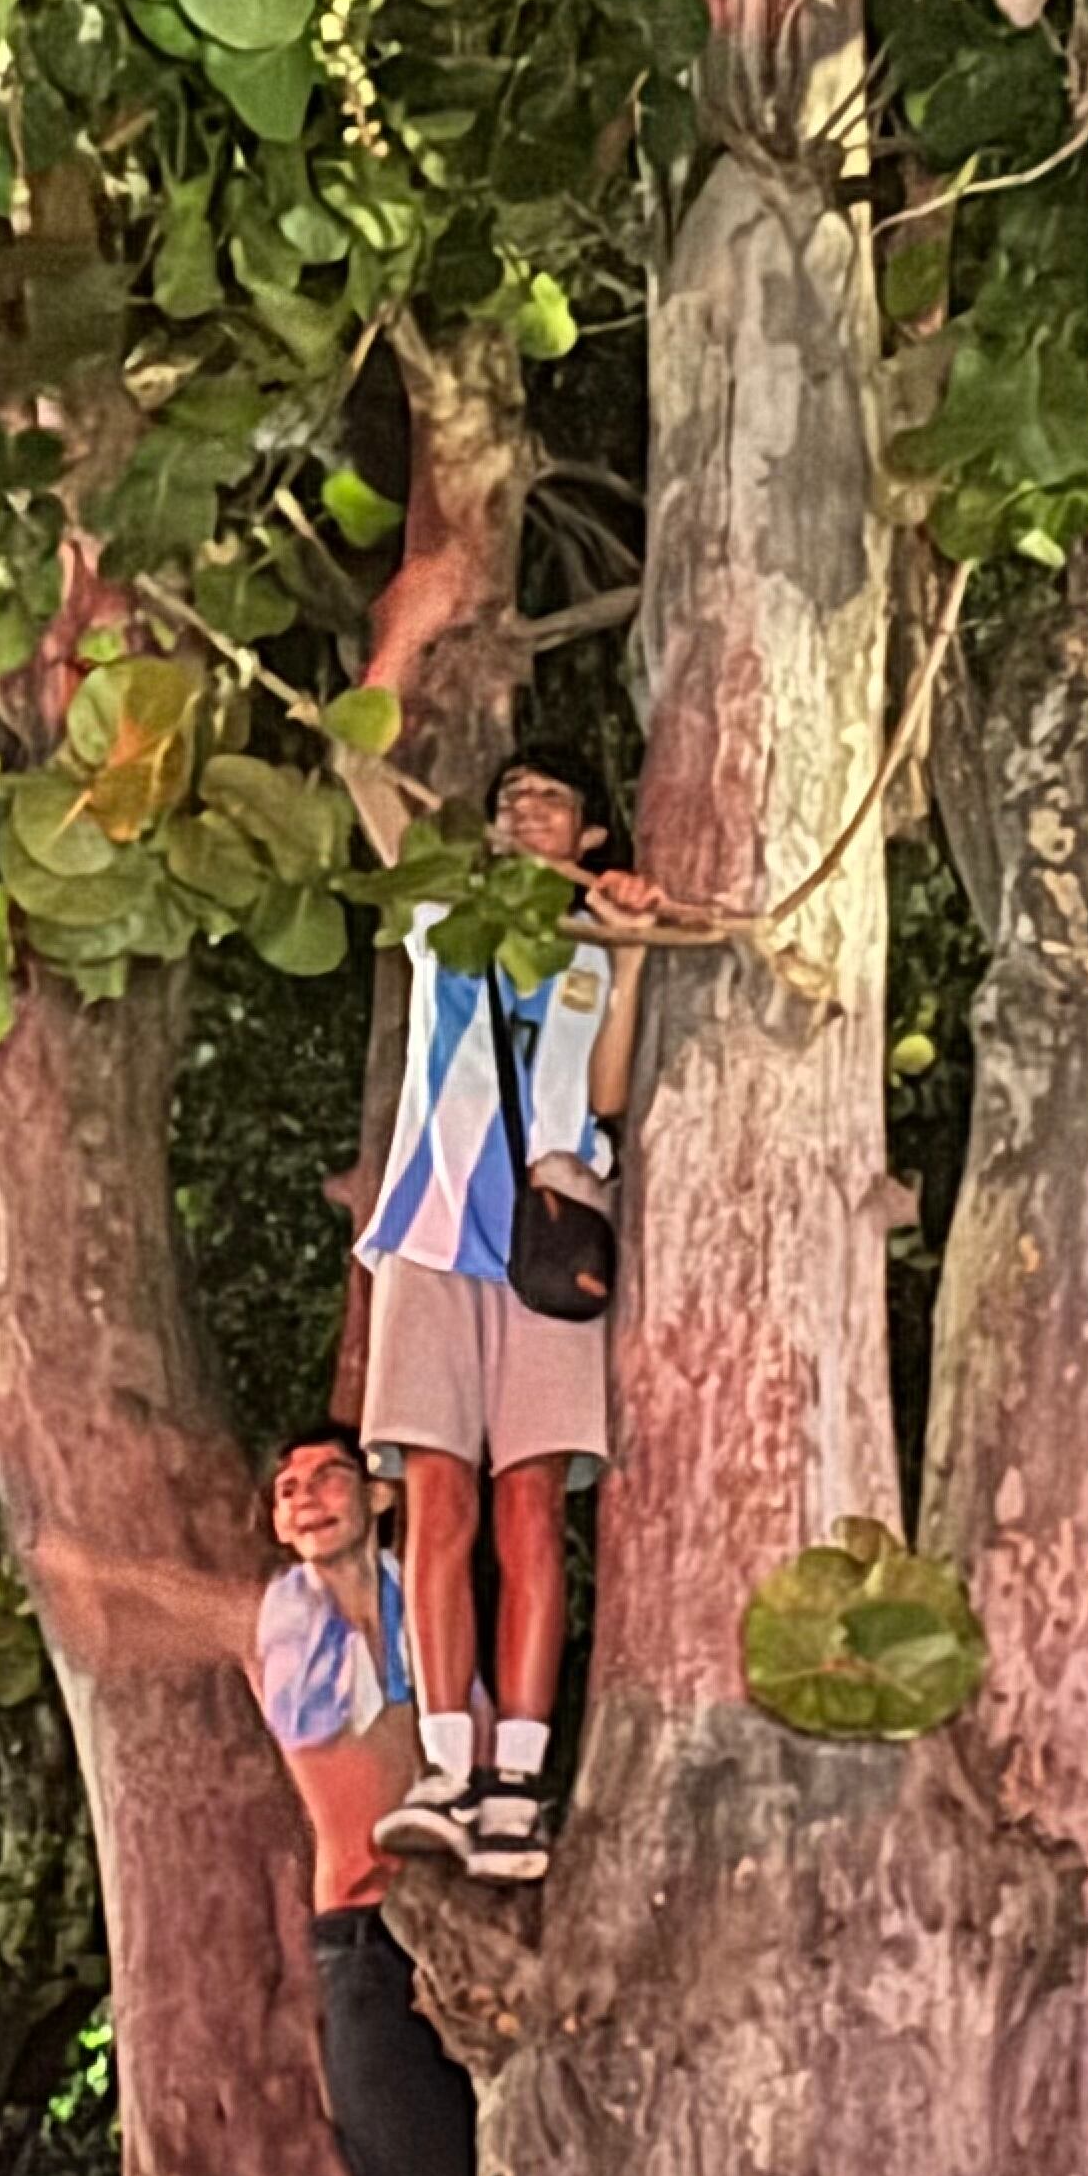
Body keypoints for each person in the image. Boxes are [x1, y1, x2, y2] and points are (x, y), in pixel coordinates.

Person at [352, 745, 659, 1883]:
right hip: (431, 1236)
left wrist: (626, 962)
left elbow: (610, 1095)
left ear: (588, 834)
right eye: (511, 802)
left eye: (551, 803)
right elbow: (365, 773)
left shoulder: (591, 944)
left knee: (529, 1511)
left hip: (548, 1245)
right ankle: (444, 1764)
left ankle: (518, 1778)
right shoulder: (448, 915)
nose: (526, 815)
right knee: (436, 1507)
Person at [23, 1429, 475, 2176]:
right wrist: (50, 1549)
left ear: (380, 1494)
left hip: (467, 1929)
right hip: (364, 1937)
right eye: (289, 1491)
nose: (308, 1499)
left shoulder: (432, 1611)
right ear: (276, 1523)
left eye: (330, 1478)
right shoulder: (273, 1621)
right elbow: (143, 1591)